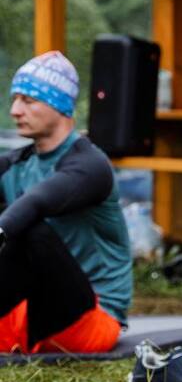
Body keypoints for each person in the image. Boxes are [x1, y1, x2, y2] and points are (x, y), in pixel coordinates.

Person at [0, 50, 132, 354]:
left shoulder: (91, 165)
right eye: (15, 100)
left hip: (90, 322)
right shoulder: (17, 164)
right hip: (28, 314)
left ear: (59, 105)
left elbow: (36, 203)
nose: (15, 110)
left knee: (28, 226)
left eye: (28, 101)